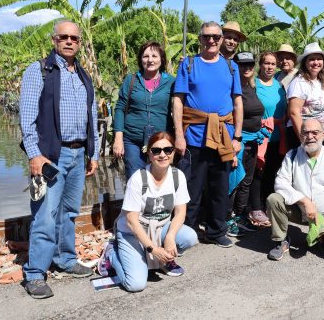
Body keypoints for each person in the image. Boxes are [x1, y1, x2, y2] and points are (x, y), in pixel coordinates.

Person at [19, 20, 99, 299]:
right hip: (51, 154)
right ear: (54, 40)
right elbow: (27, 118)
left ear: (79, 43)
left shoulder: (83, 76)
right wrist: (34, 155)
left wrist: (94, 152)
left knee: (69, 212)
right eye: (63, 37)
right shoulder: (39, 71)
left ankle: (65, 259)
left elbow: (93, 118)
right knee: (44, 214)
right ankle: (35, 273)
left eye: (73, 38)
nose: (68, 42)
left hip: (78, 154)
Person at [173, 21, 243, 248]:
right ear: (200, 39)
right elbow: (178, 100)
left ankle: (216, 230)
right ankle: (187, 232)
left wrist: (238, 136)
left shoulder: (231, 68)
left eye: (215, 36)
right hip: (193, 135)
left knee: (219, 187)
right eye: (206, 37)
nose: (211, 41)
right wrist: (178, 135)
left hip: (224, 135)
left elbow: (237, 102)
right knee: (192, 188)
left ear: (221, 39)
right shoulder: (189, 65)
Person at [97, 132, 198, 291]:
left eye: (167, 150)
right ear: (149, 154)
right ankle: (112, 254)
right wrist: (152, 248)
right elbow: (131, 220)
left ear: (173, 153)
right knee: (136, 284)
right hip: (132, 232)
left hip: (160, 228)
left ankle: (164, 261)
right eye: (156, 151)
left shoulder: (178, 176)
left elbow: (180, 212)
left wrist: (170, 236)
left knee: (189, 236)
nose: (162, 154)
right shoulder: (138, 178)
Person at [266, 119, 324, 261]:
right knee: (274, 199)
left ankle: (323, 240)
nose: (310, 137)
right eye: (305, 132)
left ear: (323, 134)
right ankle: (281, 240)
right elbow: (280, 183)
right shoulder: (292, 156)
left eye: (315, 132)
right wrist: (304, 201)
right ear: (300, 135)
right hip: (300, 211)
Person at [113, 41, 175, 181]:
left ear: (162, 59)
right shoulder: (132, 80)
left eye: (154, 56)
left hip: (161, 142)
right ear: (141, 59)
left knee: (160, 179)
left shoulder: (171, 82)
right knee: (136, 179)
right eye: (146, 56)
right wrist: (118, 139)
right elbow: (120, 108)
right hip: (133, 140)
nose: (150, 60)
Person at [227, 52, 266, 236]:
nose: (247, 68)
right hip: (238, 141)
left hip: (253, 141)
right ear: (235, 66)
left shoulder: (251, 86)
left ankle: (239, 215)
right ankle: (227, 218)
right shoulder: (231, 89)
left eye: (250, 65)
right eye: (243, 65)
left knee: (246, 181)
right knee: (234, 181)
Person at [252, 51, 287, 225]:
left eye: (273, 64)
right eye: (266, 63)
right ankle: (255, 208)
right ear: (260, 64)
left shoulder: (279, 86)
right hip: (260, 135)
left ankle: (268, 204)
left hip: (277, 136)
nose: (269, 67)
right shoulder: (254, 84)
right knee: (258, 172)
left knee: (273, 172)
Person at [286, 42, 324, 150]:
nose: (316, 62)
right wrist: (304, 140)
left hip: (322, 136)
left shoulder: (321, 81)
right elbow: (294, 113)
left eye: (319, 59)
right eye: (312, 59)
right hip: (306, 137)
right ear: (305, 63)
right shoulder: (299, 83)